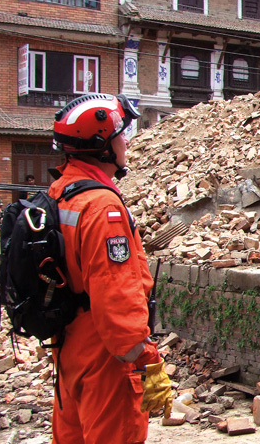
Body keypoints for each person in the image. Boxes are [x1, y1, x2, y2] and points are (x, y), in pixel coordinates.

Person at [48, 93, 172, 443]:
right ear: (102, 145)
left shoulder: (62, 192)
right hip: (106, 355)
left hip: (70, 345)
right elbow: (115, 296)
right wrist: (146, 360)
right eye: (121, 135)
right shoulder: (103, 207)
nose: (126, 142)